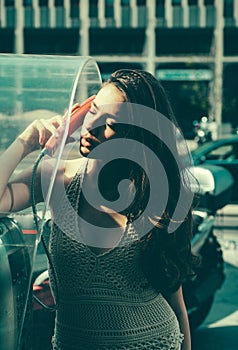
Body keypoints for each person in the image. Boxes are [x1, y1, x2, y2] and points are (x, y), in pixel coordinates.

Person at [0, 69, 198, 350]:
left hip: (154, 342)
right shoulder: (57, 180)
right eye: (93, 111)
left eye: (111, 123)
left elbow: (175, 300)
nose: (92, 127)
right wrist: (27, 140)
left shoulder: (152, 195)